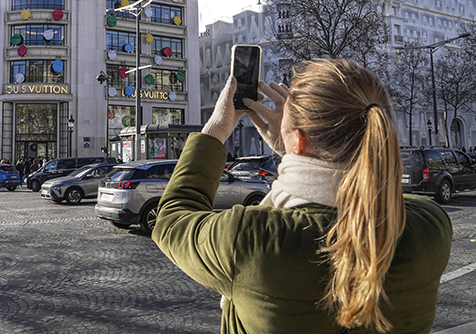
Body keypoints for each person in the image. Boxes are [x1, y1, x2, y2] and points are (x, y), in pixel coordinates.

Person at [153, 59, 453, 333]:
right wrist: (294, 149)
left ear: (299, 139)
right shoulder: (431, 228)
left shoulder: (251, 239)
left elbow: (171, 220)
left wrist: (215, 132)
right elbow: (365, 191)